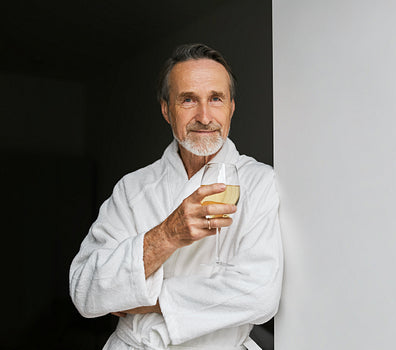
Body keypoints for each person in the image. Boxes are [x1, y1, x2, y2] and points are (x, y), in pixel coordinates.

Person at [69, 43, 283, 350]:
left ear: (231, 107)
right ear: (166, 110)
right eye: (188, 100)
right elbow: (84, 291)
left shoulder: (259, 182)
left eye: (216, 98)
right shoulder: (132, 189)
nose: (205, 116)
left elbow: (260, 293)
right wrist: (167, 234)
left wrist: (138, 298)